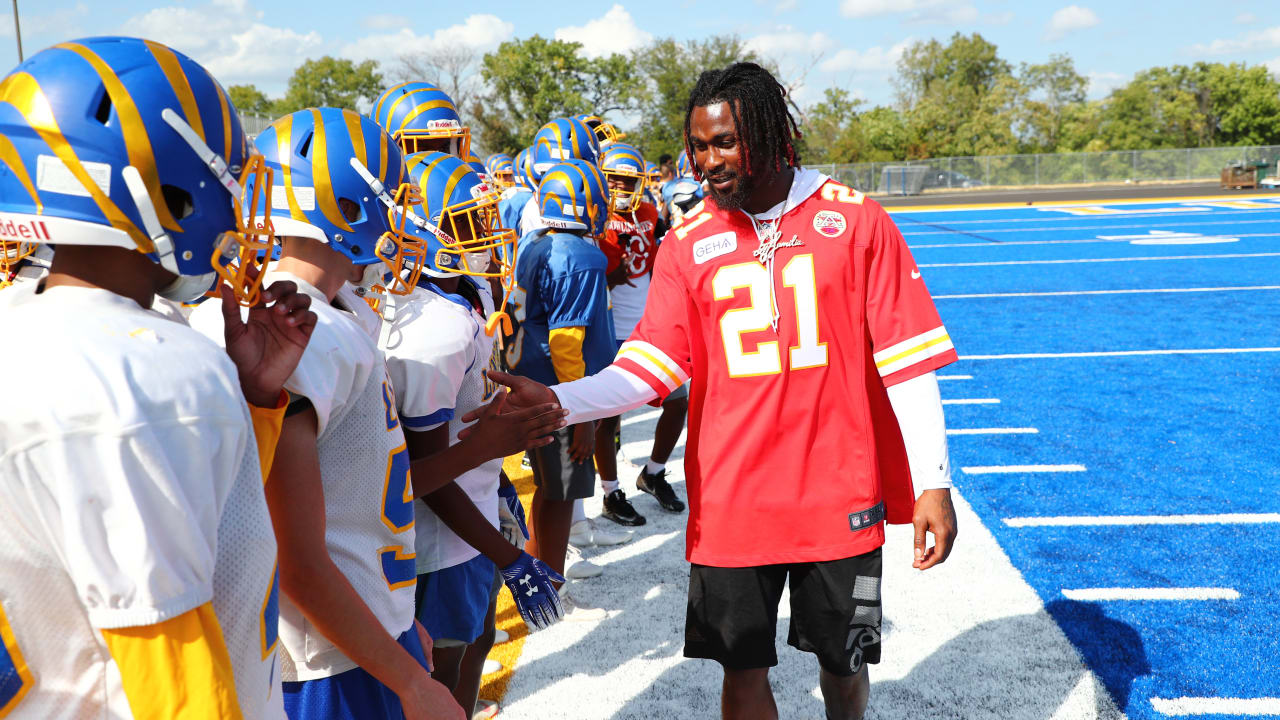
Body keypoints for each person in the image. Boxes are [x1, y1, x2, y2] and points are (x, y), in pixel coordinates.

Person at [475, 62, 959, 720]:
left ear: (768, 131)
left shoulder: (855, 221)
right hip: (732, 501)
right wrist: (566, 400)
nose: (706, 162)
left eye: (723, 142)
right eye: (698, 146)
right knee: (740, 672)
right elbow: (652, 367)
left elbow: (908, 359)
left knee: (845, 669)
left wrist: (933, 481)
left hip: (838, 493)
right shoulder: (689, 241)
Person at [0, 37, 316, 718]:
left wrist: (256, 399)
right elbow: (173, 677)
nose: (239, 202)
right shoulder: (135, 371)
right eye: (228, 178)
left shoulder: (38, 322)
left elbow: (207, 522)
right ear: (163, 187)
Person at [188, 108, 465, 720]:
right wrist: (407, 680)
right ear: (351, 205)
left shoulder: (334, 317)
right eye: (393, 196)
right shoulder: (300, 330)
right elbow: (299, 560)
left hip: (359, 634)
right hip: (325, 665)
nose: (403, 212)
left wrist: (396, 622)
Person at [379, 150, 562, 719]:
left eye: (485, 218)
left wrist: (498, 484)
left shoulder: (456, 300)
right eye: (468, 222)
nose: (488, 233)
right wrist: (509, 555)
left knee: (478, 641)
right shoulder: (432, 329)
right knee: (446, 671)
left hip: (472, 516)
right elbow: (421, 477)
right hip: (441, 543)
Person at [504, 158, 619, 620]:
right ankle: (545, 589)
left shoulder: (537, 243)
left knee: (553, 491)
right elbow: (567, 343)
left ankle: (546, 582)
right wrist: (583, 414)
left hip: (537, 381)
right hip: (560, 392)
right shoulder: (580, 254)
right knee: (560, 491)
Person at [594, 143, 686, 522]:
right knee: (609, 415)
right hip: (609, 327)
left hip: (648, 324)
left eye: (627, 180)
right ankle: (611, 492)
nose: (619, 186)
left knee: (678, 399)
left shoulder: (649, 212)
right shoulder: (594, 215)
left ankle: (652, 472)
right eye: (613, 179)